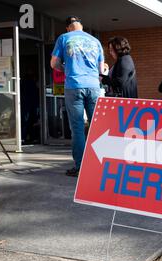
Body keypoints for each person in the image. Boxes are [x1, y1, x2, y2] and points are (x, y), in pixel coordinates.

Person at [51, 15, 105, 177]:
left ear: (68, 27)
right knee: (97, 127)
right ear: (81, 25)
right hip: (94, 86)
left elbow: (53, 63)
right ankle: (100, 165)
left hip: (74, 85)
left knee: (77, 128)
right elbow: (101, 69)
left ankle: (81, 166)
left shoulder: (64, 38)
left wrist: (65, 69)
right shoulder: (95, 41)